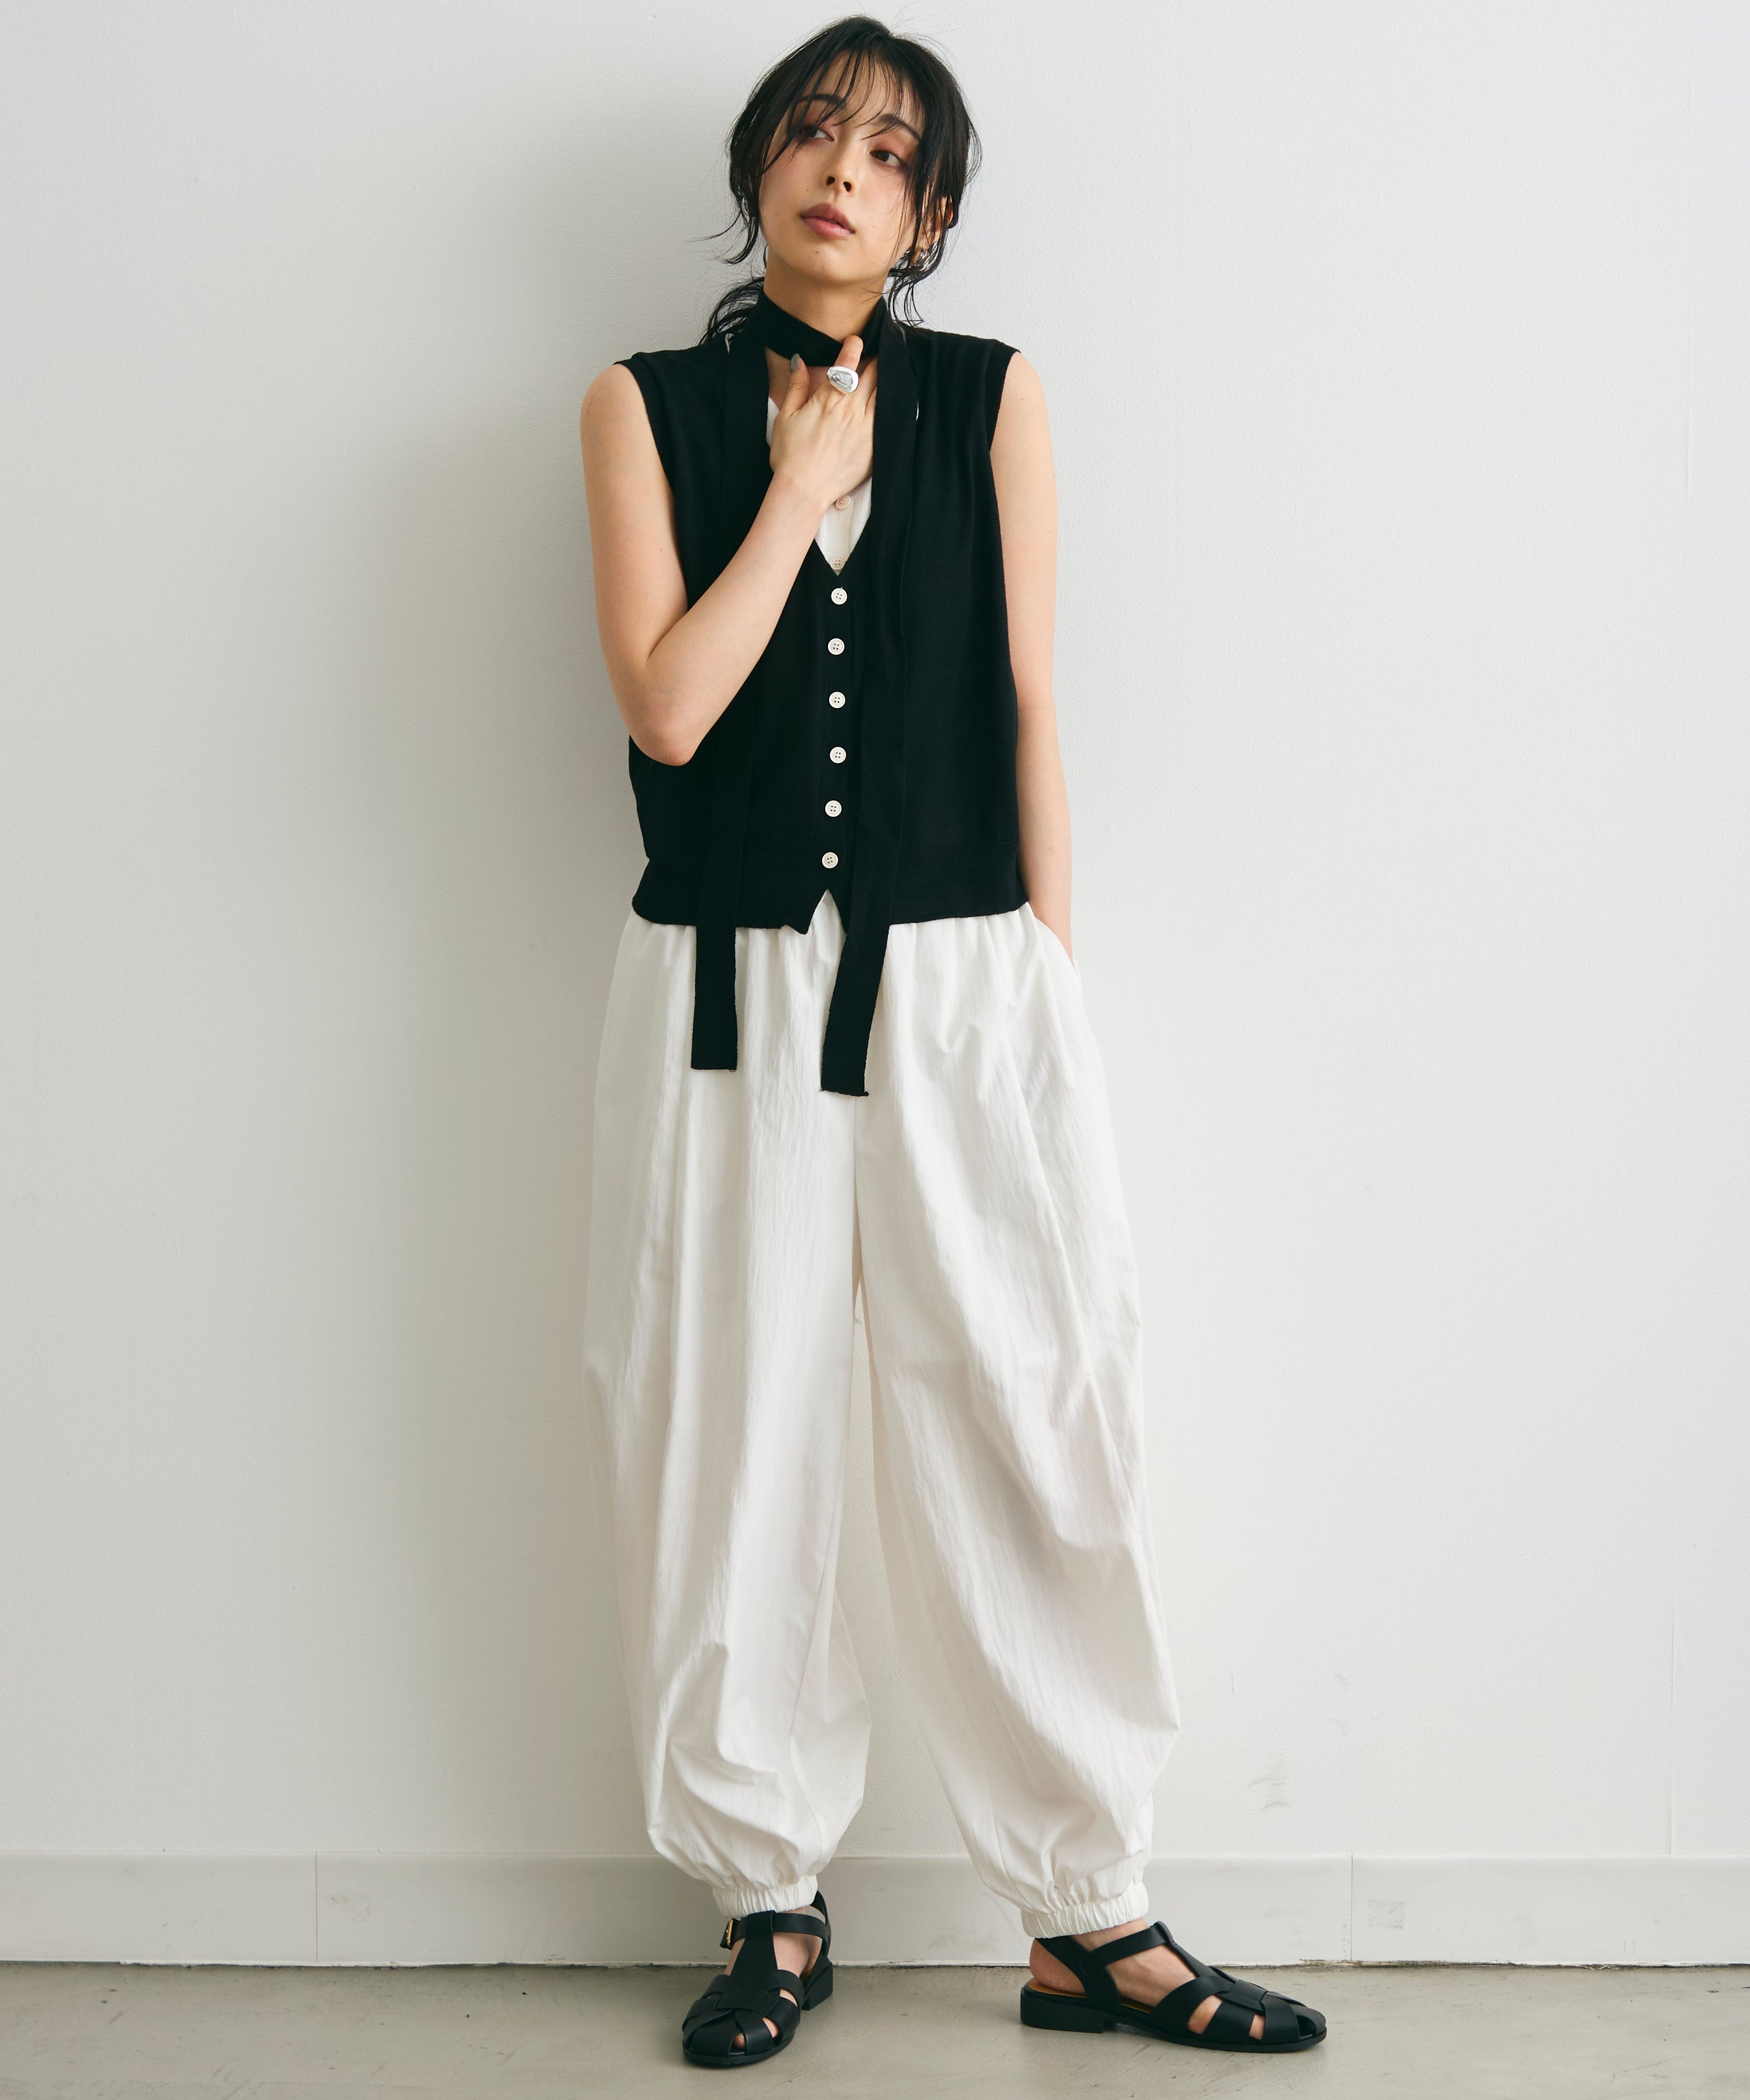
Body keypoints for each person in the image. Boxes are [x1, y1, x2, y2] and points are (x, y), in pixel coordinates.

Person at [577, 13, 1327, 2069]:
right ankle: (769, 1902)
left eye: (892, 153)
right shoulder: (640, 407)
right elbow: (667, 710)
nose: (845, 169)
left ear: (926, 218)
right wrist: (793, 490)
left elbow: (1029, 703)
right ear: (759, 166)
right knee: (726, 1431)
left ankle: (1091, 1914)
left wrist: (1043, 989)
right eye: (815, 131)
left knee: (1028, 1407)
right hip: (724, 993)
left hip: (965, 974)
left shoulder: (992, 398)